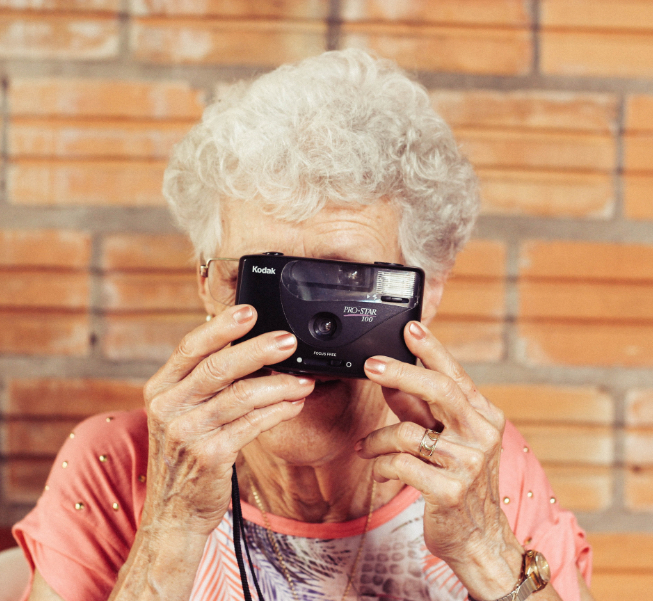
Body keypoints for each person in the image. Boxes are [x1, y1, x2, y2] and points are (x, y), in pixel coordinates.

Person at [13, 49, 593, 601]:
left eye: (344, 284)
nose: (298, 337)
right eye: (259, 281)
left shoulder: (475, 469)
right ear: (207, 287)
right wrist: (173, 526)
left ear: (426, 291)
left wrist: (483, 546)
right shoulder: (117, 465)